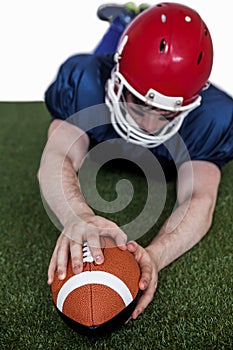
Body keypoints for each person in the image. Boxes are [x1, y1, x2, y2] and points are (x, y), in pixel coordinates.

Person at [38, 2, 233, 321]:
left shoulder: (211, 116)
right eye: (140, 104)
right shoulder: (87, 83)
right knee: (99, 57)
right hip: (106, 74)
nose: (150, 125)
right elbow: (56, 156)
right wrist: (77, 216)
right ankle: (121, 24)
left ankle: (127, 29)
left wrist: (154, 256)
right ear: (116, 83)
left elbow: (199, 197)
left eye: (167, 113)